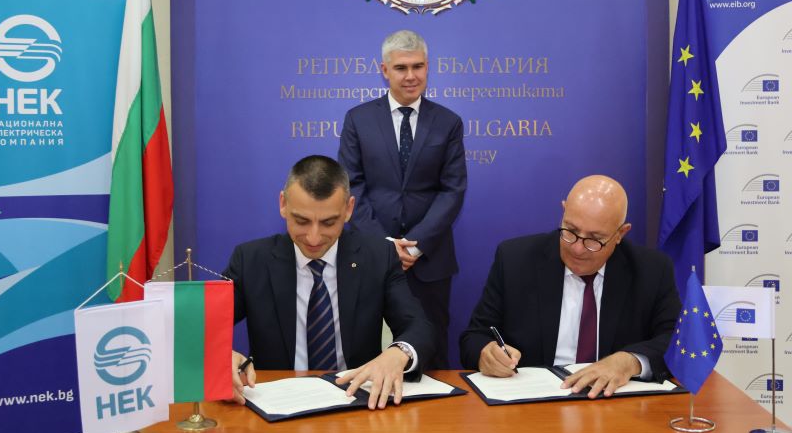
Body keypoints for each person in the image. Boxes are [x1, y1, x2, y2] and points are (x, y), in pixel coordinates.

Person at [225, 155, 435, 409]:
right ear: (283, 204)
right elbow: (202, 327)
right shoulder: (250, 260)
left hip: (355, 402)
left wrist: (398, 354)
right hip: (277, 404)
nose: (314, 237)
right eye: (302, 221)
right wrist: (219, 356)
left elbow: (418, 326)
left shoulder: (378, 256)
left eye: (328, 222)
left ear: (348, 210)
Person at [459, 175, 681, 398]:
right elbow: (475, 336)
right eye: (570, 230)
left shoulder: (651, 269)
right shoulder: (515, 259)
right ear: (564, 212)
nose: (577, 249)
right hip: (532, 402)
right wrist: (486, 353)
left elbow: (677, 340)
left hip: (614, 404)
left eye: (594, 239)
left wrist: (630, 361)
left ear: (620, 234)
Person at [338, 30, 467, 367]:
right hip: (370, 257)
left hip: (429, 260)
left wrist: (414, 247)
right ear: (384, 70)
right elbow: (352, 186)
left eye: (418, 66)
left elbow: (452, 190)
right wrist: (386, 247)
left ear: (428, 67)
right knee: (368, 349)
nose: (411, 76)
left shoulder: (449, 122)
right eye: (401, 68)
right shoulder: (358, 119)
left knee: (431, 349)